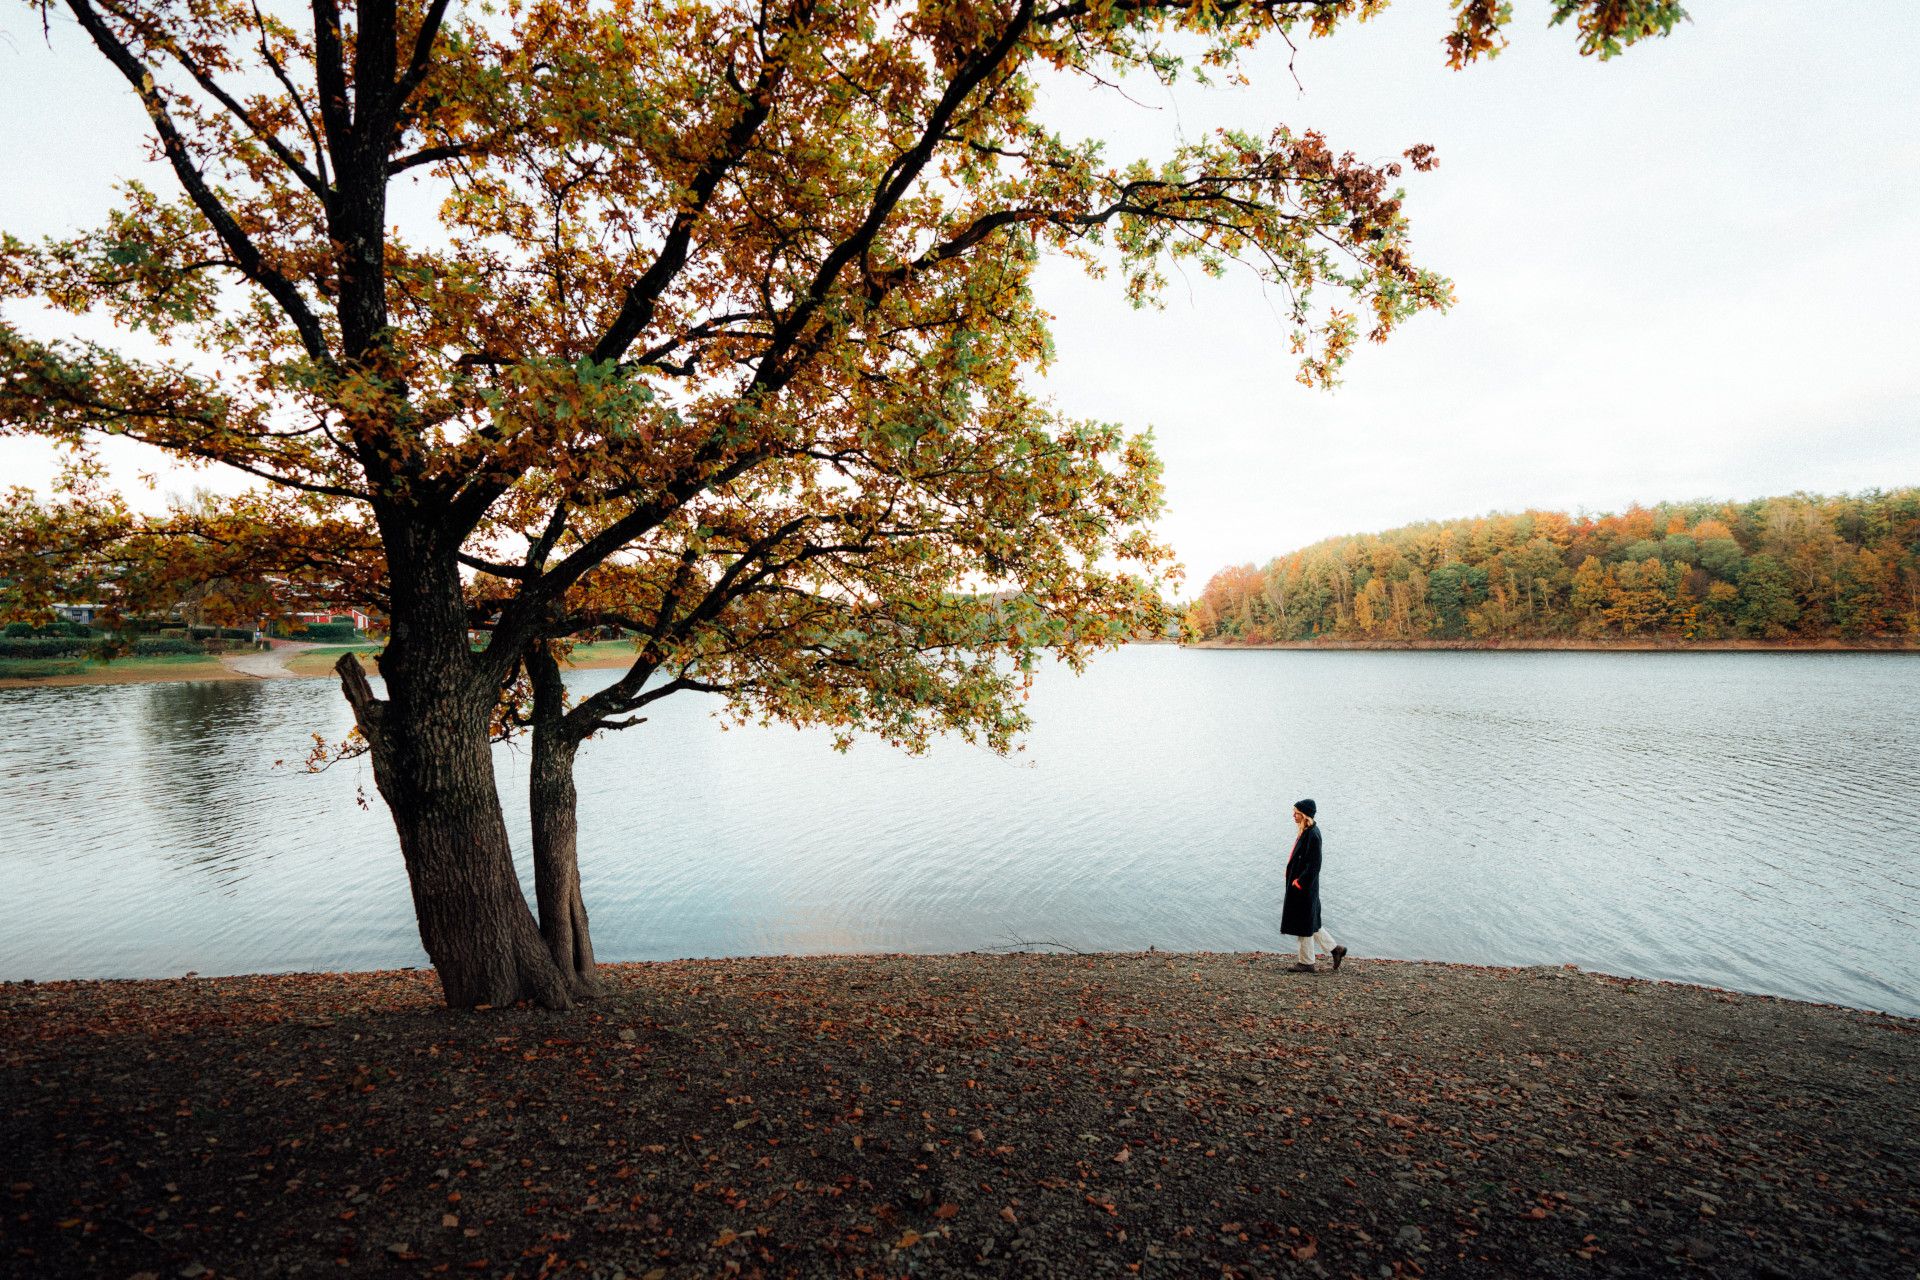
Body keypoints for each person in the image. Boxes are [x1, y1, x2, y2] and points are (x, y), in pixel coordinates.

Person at [1282, 799, 1346, 973]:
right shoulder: (1307, 831)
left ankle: (1307, 962)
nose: (1293, 815)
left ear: (1304, 815)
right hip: (1303, 887)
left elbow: (1314, 865)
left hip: (1304, 888)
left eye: (1296, 812)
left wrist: (1299, 882)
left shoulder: (1313, 835)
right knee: (1311, 922)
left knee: (1304, 923)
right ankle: (1336, 950)